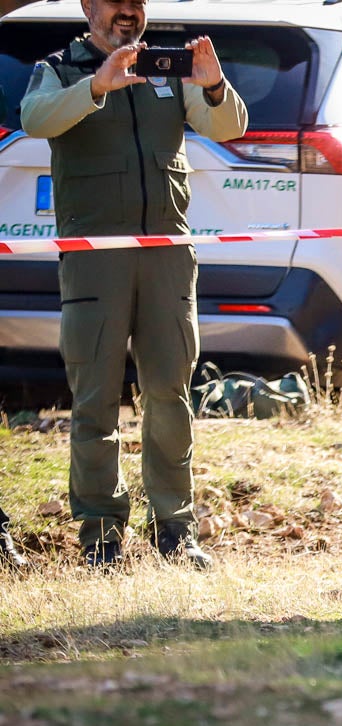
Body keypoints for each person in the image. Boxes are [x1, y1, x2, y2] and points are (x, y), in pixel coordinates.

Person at [20, 0, 248, 569]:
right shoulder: (60, 68)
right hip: (96, 258)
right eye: (116, 2)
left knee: (170, 394)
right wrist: (96, 85)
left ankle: (175, 528)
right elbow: (35, 119)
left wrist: (214, 84)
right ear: (88, 6)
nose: (128, 12)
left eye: (137, 3)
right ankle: (100, 534)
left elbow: (228, 125)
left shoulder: (166, 68)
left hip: (167, 254)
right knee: (95, 398)